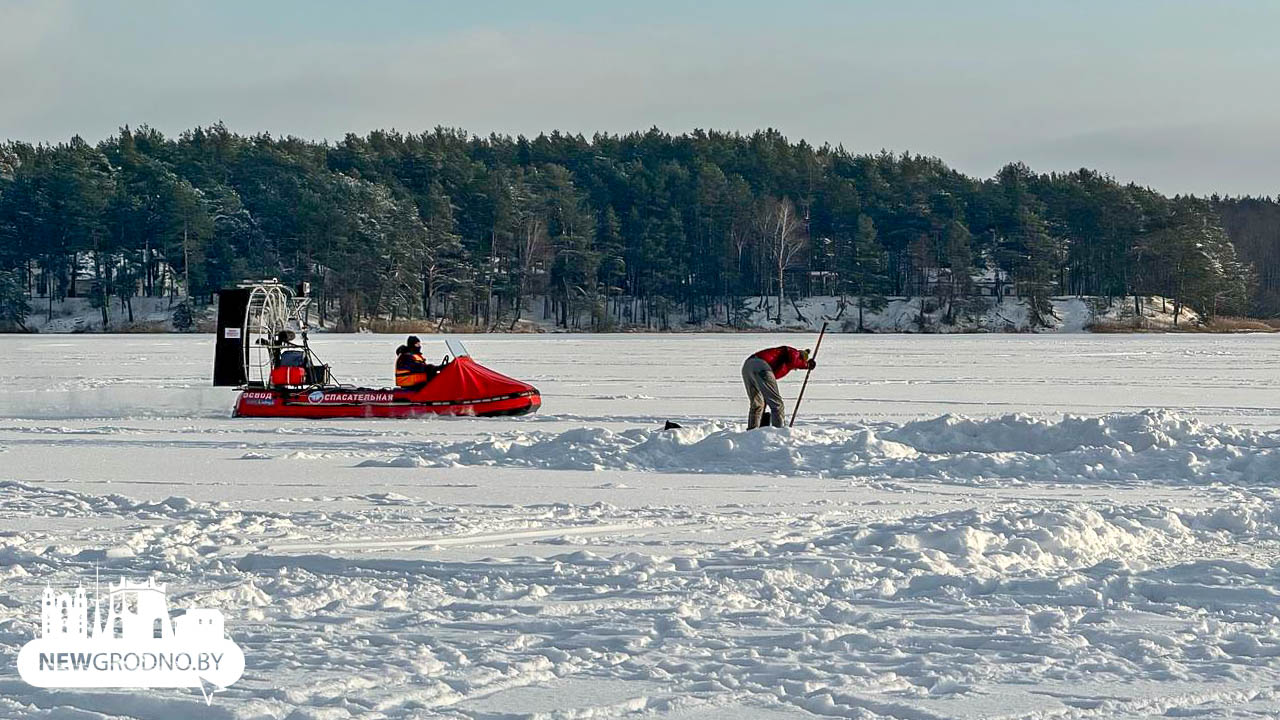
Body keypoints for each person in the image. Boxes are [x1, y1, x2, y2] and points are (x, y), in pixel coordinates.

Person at [742, 345, 815, 429]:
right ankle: (778, 432)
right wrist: (806, 365)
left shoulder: (783, 362)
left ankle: (752, 432)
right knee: (777, 404)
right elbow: (793, 360)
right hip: (761, 366)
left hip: (748, 366)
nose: (796, 369)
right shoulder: (794, 352)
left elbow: (766, 385)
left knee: (758, 403)